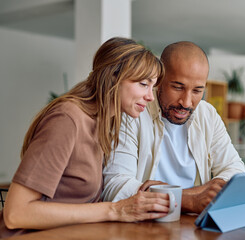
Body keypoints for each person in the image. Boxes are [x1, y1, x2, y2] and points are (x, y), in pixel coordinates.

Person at [0, 37, 171, 238]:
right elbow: (16, 213)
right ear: (113, 78)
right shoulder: (68, 119)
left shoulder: (100, 122)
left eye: (152, 87)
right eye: (144, 84)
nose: (150, 96)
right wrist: (115, 210)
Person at [102, 41, 245, 214]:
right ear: (158, 81)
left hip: (194, 226)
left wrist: (174, 195)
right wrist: (188, 200)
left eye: (197, 91)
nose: (186, 102)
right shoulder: (133, 111)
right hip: (144, 228)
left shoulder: (207, 114)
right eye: (178, 87)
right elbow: (116, 188)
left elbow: (235, 170)